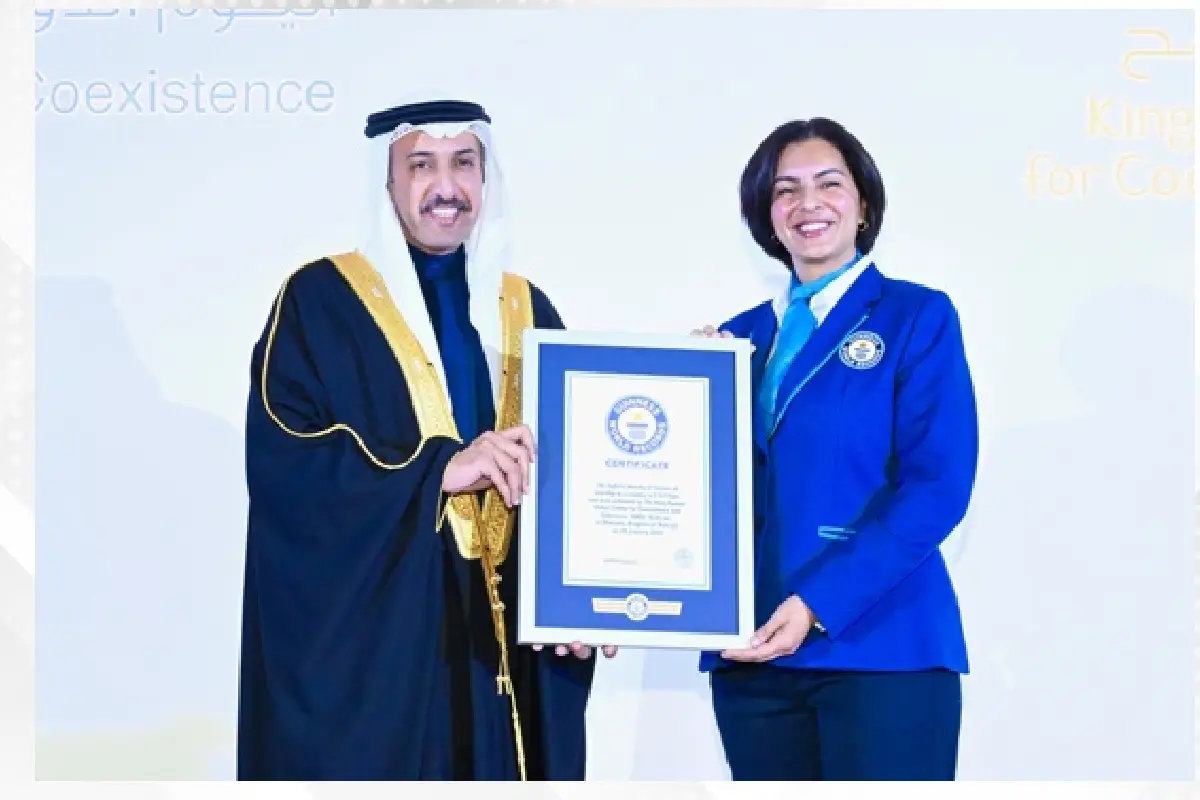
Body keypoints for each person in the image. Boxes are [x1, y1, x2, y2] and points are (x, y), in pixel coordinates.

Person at [236, 96, 615, 781]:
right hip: (386, 643)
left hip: (505, 642)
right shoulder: (319, 302)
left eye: (463, 163)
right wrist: (436, 470)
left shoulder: (527, 308)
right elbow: (285, 464)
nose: (446, 186)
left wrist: (585, 598)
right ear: (388, 183)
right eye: (421, 166)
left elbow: (576, 470)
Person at [693, 117, 979, 780]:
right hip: (753, 656)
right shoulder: (733, 341)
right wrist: (691, 398)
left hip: (882, 650)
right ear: (767, 217)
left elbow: (937, 487)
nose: (808, 203)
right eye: (785, 190)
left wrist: (818, 603)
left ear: (864, 204)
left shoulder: (916, 317)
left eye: (829, 183)